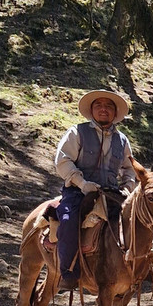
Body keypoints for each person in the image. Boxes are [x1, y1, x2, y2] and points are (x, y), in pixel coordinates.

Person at [54, 89, 138, 291]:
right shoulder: (77, 132)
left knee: (138, 221)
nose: (103, 109)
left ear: (115, 112)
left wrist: (127, 187)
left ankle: (140, 269)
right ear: (92, 110)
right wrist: (82, 183)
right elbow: (62, 160)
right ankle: (69, 272)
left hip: (112, 194)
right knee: (67, 220)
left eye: (108, 106)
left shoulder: (122, 140)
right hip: (78, 191)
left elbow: (130, 169)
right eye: (99, 105)